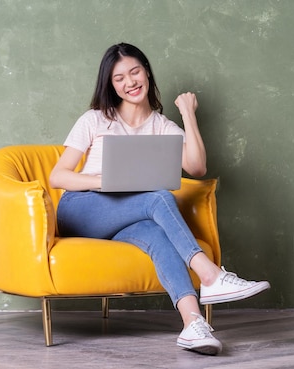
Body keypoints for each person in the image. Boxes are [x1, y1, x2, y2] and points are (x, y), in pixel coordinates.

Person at [49, 43, 270, 355]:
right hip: (80, 209)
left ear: (147, 73)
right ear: (110, 85)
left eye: (135, 72)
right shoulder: (95, 119)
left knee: (157, 235)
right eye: (119, 78)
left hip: (124, 218)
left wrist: (188, 114)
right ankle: (210, 274)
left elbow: (197, 167)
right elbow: (58, 176)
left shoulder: (162, 127)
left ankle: (193, 325)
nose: (130, 82)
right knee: (157, 197)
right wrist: (101, 181)